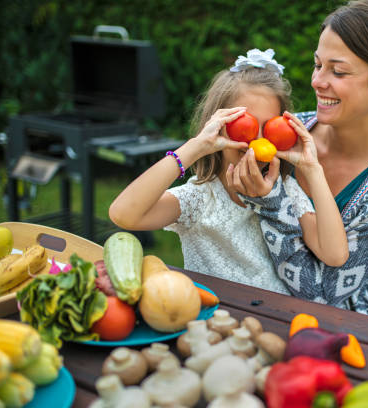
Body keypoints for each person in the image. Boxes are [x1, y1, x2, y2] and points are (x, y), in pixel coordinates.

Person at [227, 0, 368, 322]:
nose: (318, 81)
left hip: (360, 330)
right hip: (262, 306)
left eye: (338, 71)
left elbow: (320, 295)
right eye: (317, 64)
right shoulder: (288, 131)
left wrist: (270, 202)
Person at [108, 49, 348, 295]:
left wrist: (312, 169)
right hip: (215, 321)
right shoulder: (200, 198)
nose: (256, 141)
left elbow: (335, 255)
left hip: (275, 321)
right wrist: (194, 147)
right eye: (244, 125)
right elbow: (124, 214)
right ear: (218, 128)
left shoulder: (284, 190)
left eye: (271, 129)